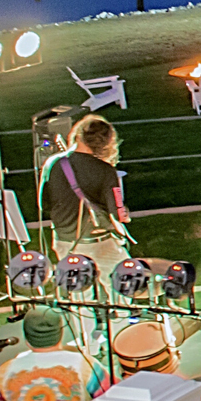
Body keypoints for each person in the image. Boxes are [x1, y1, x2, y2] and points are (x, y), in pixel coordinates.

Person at [41, 114, 131, 288]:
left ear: (78, 133)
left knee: (78, 295)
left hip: (65, 240)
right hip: (99, 241)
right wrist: (125, 214)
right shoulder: (106, 171)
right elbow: (117, 213)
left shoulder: (52, 164)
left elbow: (44, 205)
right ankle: (119, 315)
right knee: (122, 285)